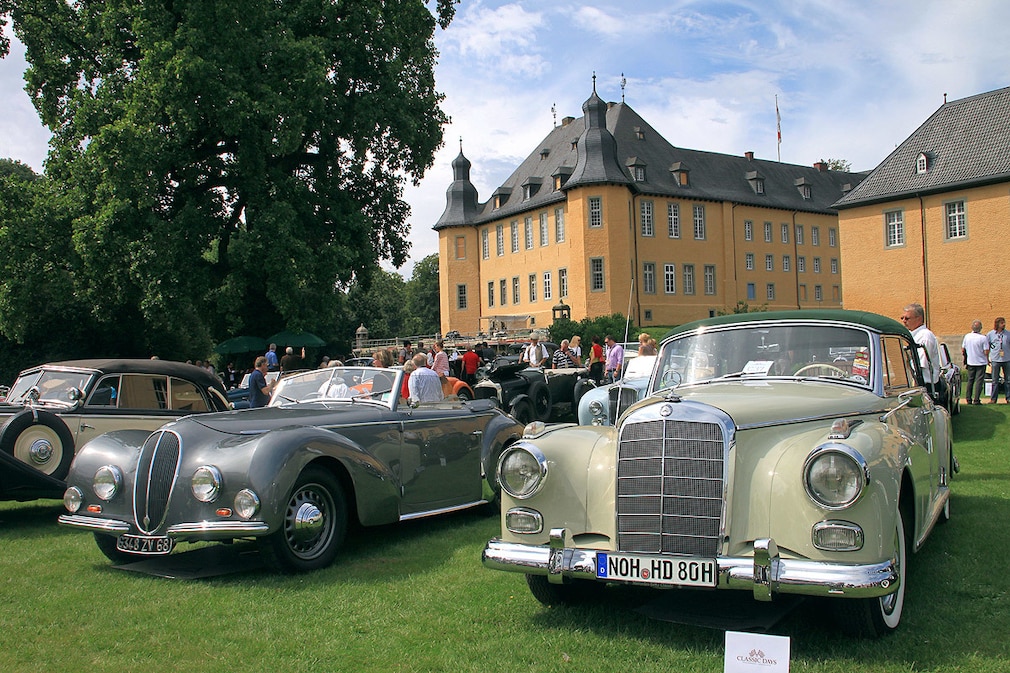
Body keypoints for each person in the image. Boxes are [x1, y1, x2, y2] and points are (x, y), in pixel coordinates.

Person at [900, 303, 945, 404]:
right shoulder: (913, 335)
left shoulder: (925, 336)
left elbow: (919, 365)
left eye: (907, 318)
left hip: (925, 386)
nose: (904, 321)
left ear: (919, 319)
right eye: (902, 318)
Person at [962, 320, 989, 405]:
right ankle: (976, 399)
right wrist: (988, 359)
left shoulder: (967, 336)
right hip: (981, 362)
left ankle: (968, 398)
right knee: (979, 381)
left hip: (970, 362)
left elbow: (963, 349)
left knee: (970, 381)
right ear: (980, 328)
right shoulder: (983, 338)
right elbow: (986, 351)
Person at [988, 316, 1010, 403]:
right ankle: (993, 399)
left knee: (1008, 380)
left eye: (1004, 323)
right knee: (995, 380)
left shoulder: (1008, 334)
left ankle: (1008, 398)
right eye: (1002, 323)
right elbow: (987, 346)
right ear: (997, 324)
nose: (1004, 324)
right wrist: (987, 358)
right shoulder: (990, 334)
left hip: (1007, 359)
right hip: (995, 359)